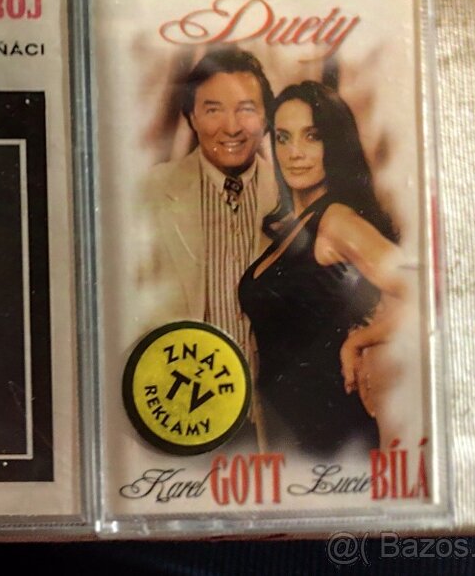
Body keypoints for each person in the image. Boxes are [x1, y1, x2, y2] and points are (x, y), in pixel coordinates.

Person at [239, 82, 405, 455]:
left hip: (331, 432)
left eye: (311, 136)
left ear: (335, 142)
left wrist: (359, 340)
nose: (294, 153)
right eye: (282, 138)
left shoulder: (336, 220)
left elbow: (431, 290)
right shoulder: (296, 227)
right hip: (289, 429)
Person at [136, 47, 277, 374]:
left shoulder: (293, 197)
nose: (232, 128)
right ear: (191, 117)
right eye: (213, 110)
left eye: (246, 109)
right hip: (181, 388)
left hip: (272, 396)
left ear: (266, 118)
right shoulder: (150, 192)